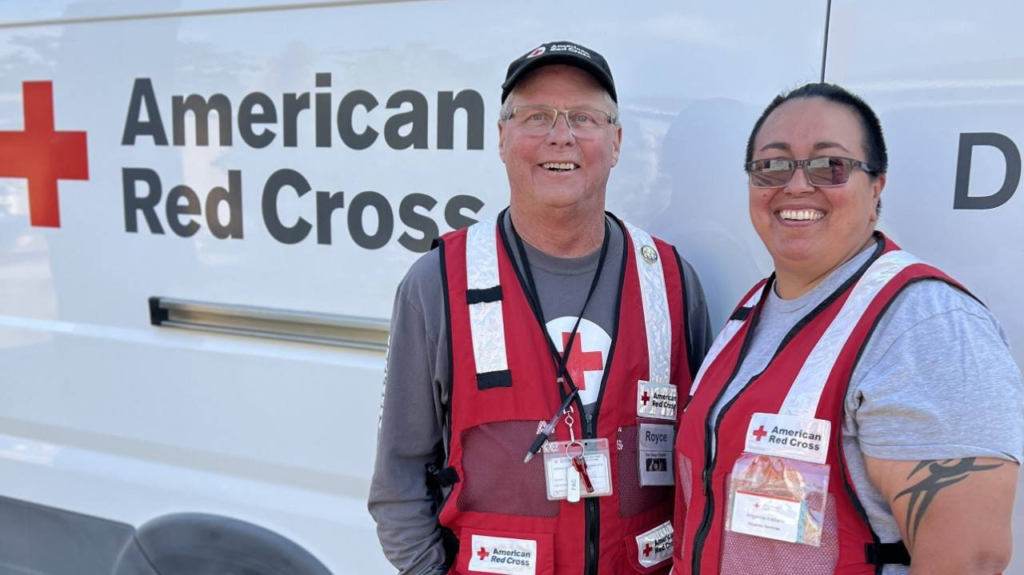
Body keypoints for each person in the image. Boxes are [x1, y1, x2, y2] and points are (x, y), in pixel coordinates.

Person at [369, 41, 712, 574]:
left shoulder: (670, 280)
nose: (561, 134)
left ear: (616, 142)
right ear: (502, 138)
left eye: (584, 117)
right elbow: (400, 481)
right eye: (536, 116)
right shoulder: (437, 283)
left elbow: (700, 468)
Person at [671, 83, 1024, 575]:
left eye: (829, 165)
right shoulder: (753, 308)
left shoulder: (926, 325)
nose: (796, 185)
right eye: (772, 165)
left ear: (876, 186)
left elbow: (970, 559)